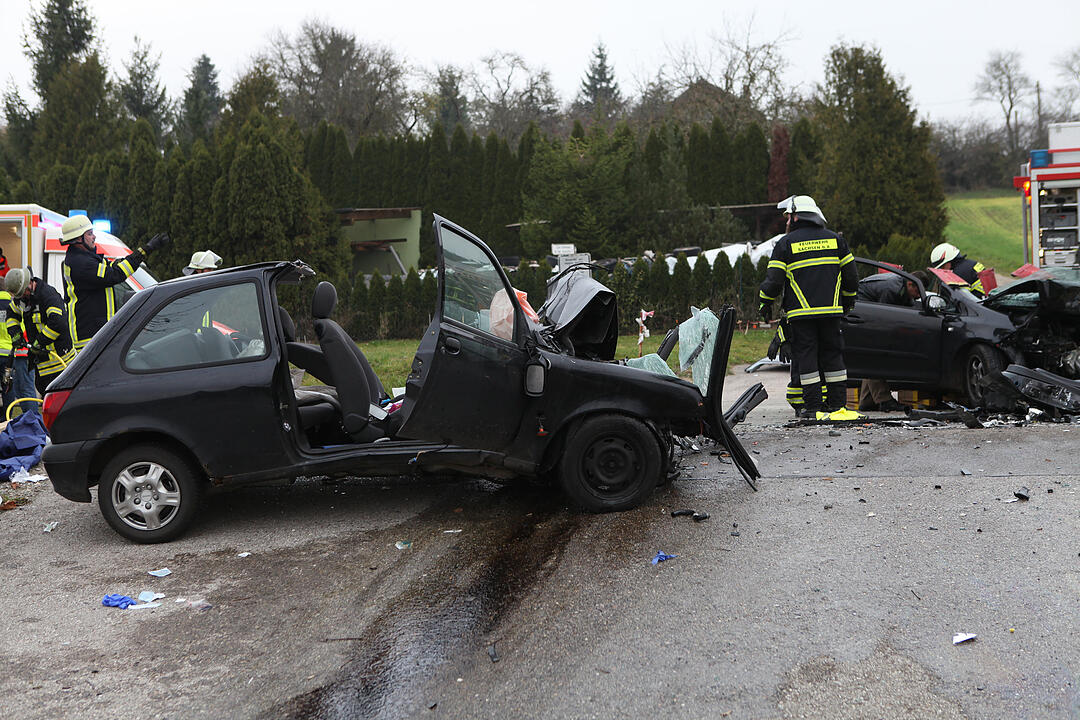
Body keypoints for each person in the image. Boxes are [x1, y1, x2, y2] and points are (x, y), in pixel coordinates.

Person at [759, 195, 860, 421]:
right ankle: (837, 406)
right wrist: (848, 300)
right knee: (833, 357)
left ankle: (813, 408)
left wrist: (764, 302)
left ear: (796, 217)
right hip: (832, 313)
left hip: (801, 315)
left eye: (788, 217)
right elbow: (852, 277)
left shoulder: (785, 244)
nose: (786, 221)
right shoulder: (836, 240)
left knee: (807, 358)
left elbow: (774, 280)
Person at [60, 214, 169, 354]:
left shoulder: (84, 258)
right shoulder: (82, 263)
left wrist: (138, 254)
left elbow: (113, 267)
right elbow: (115, 274)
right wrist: (146, 250)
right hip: (89, 337)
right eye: (90, 234)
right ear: (78, 239)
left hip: (96, 334)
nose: (94, 237)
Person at [855, 270, 931, 412]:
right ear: (910, 284)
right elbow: (884, 317)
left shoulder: (903, 287)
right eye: (918, 292)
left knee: (874, 354)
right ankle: (884, 400)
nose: (918, 296)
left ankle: (867, 400)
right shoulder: (891, 289)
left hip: (867, 309)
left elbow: (909, 308)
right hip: (859, 311)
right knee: (875, 353)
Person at [5, 268, 76, 396]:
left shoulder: (48, 295)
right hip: (42, 365)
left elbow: (59, 323)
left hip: (61, 363)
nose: (21, 297)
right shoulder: (23, 298)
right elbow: (11, 314)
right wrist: (15, 333)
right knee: (47, 402)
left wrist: (40, 342)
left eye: (22, 293)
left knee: (62, 402)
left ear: (29, 283)